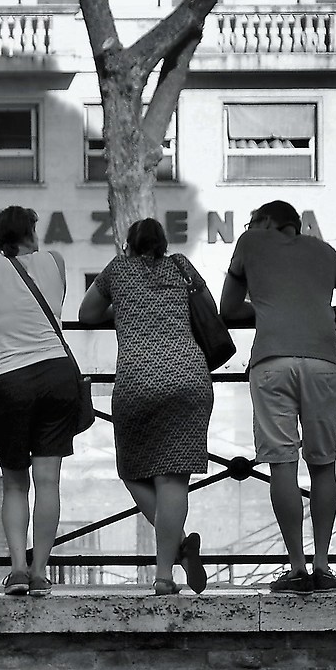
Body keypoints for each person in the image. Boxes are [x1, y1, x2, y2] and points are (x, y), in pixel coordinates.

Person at [220, 200, 336, 595]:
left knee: (282, 465)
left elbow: (226, 308)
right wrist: (320, 312)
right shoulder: (324, 251)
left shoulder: (249, 243)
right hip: (323, 363)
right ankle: (324, 567)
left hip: (272, 361)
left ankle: (295, 568)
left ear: (270, 223)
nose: (250, 226)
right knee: (323, 465)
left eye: (253, 221)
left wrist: (269, 311)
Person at [0, 205, 78, 596]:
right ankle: (41, 572)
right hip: (57, 374)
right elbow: (46, 311)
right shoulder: (56, 262)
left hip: (9, 380)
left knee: (15, 483)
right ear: (30, 233)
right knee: (48, 481)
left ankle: (18, 570)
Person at [77, 219, 212, 596]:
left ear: (129, 244)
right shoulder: (181, 266)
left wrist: (121, 310)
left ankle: (182, 549)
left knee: (133, 471)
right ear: (164, 244)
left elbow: (87, 313)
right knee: (173, 479)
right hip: (189, 378)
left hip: (137, 382)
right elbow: (210, 308)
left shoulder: (117, 270)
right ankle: (166, 572)